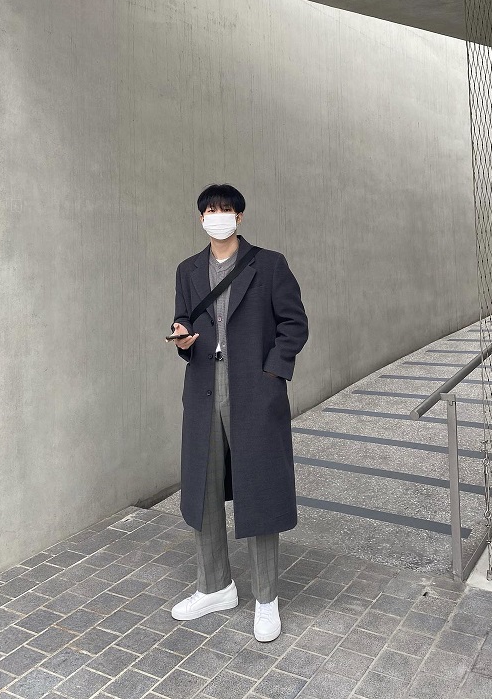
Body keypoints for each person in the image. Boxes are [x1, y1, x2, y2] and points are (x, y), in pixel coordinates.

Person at [168, 184, 308, 642]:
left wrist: (273, 373)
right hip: (204, 392)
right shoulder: (188, 270)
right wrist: (183, 338)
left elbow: (294, 324)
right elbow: (184, 318)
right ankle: (215, 587)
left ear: (239, 217)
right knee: (204, 489)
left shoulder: (269, 264)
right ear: (201, 218)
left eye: (225, 210)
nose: (218, 216)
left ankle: (266, 598)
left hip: (254, 393)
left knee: (260, 489)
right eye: (210, 210)